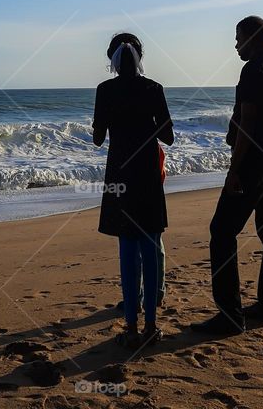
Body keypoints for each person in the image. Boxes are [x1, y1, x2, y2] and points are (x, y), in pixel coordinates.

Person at [192, 16, 263, 335]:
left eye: (238, 38)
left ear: (254, 38)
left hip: (252, 162)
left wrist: (234, 170)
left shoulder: (253, 70)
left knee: (221, 231)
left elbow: (248, 123)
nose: (235, 44)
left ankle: (230, 316)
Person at [93, 33, 174, 348]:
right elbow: (167, 136)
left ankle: (130, 324)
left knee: (126, 246)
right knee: (150, 242)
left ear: (113, 61)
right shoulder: (153, 88)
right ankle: (151, 325)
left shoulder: (105, 90)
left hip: (120, 172)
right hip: (148, 173)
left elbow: (98, 139)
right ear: (140, 59)